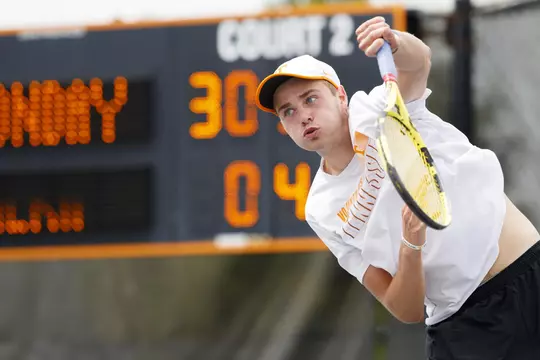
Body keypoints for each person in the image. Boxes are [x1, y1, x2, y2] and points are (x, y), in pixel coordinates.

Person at [254, 16, 540, 360]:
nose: (302, 115)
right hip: (467, 328)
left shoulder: (380, 108)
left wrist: (396, 42)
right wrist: (411, 245)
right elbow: (405, 309)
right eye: (288, 111)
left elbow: (420, 62)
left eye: (310, 99)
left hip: (529, 273)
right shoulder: (320, 209)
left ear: (340, 96)